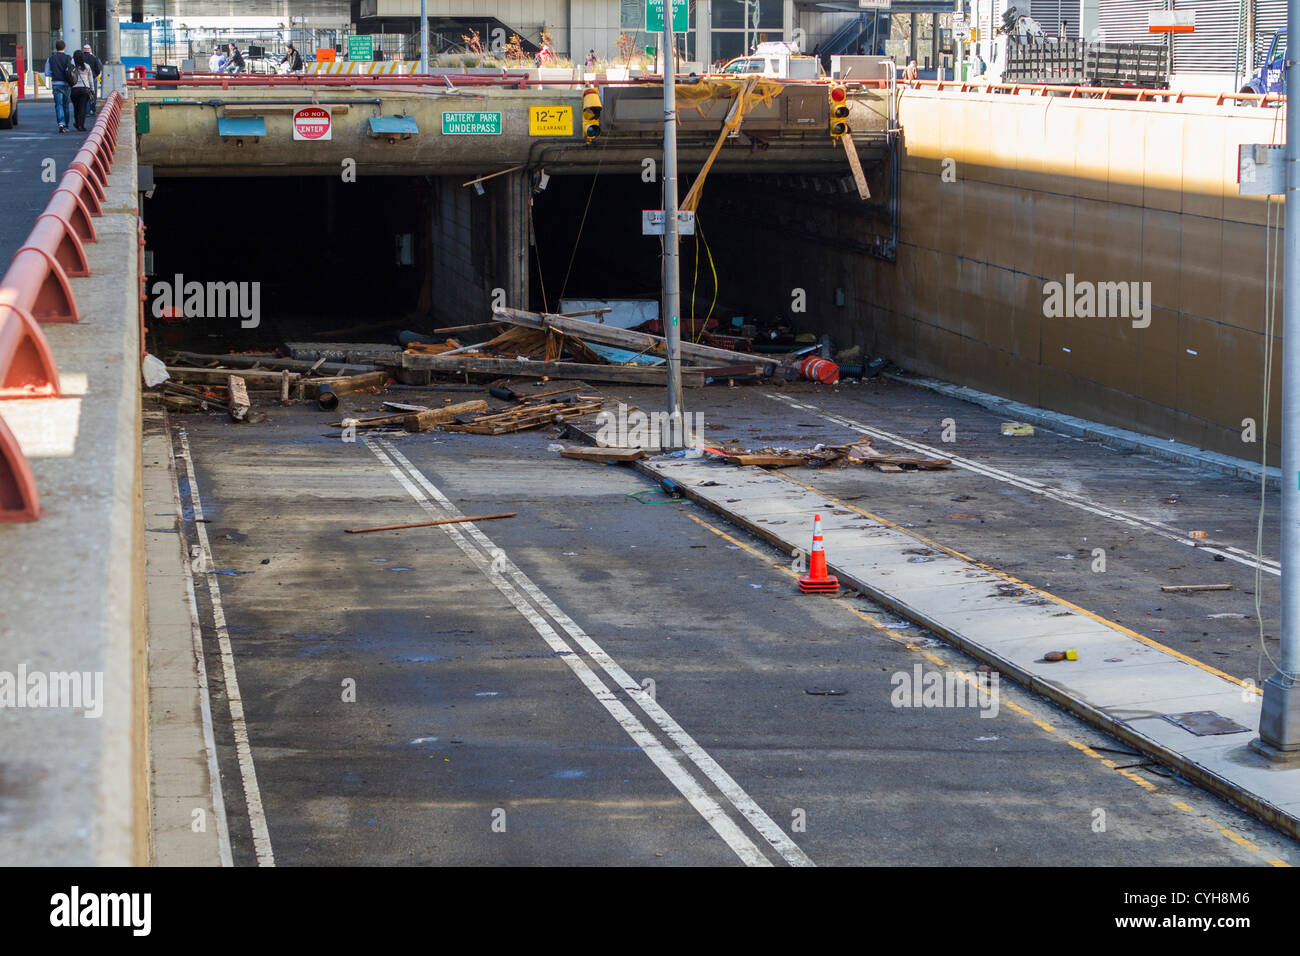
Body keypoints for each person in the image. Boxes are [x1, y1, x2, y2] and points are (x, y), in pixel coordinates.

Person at [44, 40, 74, 132]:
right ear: (64, 47)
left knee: (58, 105)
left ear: (56, 48)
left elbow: (47, 72)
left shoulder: (51, 58)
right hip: (67, 84)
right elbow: (73, 70)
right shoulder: (69, 58)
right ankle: (66, 126)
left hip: (56, 84)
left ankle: (61, 123)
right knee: (66, 105)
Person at [69, 50, 94, 131]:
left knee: (76, 108)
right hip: (84, 89)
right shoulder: (86, 66)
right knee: (82, 108)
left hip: (74, 89)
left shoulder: (72, 67)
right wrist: (92, 89)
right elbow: (90, 79)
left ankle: (77, 123)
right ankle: (81, 125)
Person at [81, 44, 101, 117]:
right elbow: (98, 68)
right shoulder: (94, 58)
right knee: (93, 94)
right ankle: (92, 110)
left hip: (84, 79)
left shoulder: (81, 58)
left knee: (85, 95)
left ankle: (86, 111)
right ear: (90, 50)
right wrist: (95, 75)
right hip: (92, 78)